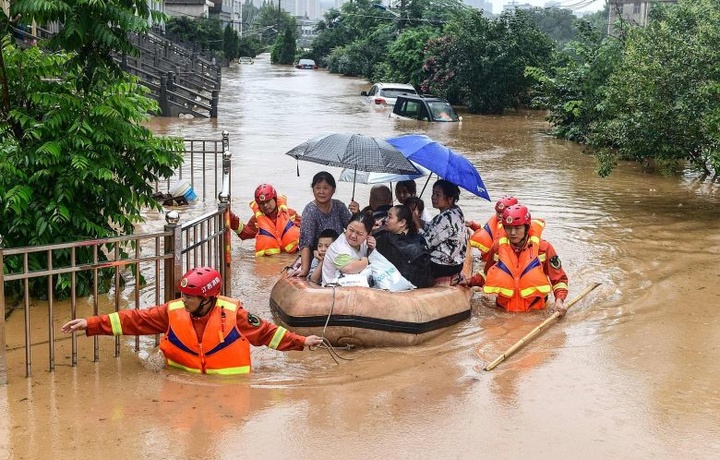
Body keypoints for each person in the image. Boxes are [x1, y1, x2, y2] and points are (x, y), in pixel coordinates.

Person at [61, 267, 323, 374]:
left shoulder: (235, 314)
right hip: (180, 380)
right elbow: (135, 320)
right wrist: (92, 324)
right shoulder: (173, 311)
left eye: (190, 297)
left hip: (228, 390)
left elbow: (267, 334)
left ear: (208, 298)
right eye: (183, 295)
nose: (184, 301)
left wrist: (302, 341)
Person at [463, 204, 569, 316]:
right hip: (503, 313)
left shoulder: (544, 248)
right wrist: (469, 281)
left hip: (535, 313)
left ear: (527, 227)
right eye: (508, 228)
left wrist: (559, 300)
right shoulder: (497, 248)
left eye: (517, 228)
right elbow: (486, 275)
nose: (512, 233)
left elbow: (559, 280)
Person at [289, 171, 356, 278]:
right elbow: (306, 243)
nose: (321, 192)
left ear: (333, 190)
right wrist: (305, 270)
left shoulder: (339, 206)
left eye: (325, 188)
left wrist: (356, 213)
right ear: (313, 190)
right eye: (318, 188)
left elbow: (353, 230)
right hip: (318, 255)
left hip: (339, 253)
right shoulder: (310, 211)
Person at [229, 183, 301, 256]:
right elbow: (243, 233)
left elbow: (308, 229)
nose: (265, 205)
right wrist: (230, 217)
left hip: (292, 256)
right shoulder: (256, 220)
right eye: (261, 203)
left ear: (275, 199)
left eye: (268, 201)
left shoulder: (290, 214)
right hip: (271, 261)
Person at [466, 195, 545, 262]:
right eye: (498, 212)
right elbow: (486, 232)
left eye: (502, 212)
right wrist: (473, 225)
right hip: (491, 258)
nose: (500, 215)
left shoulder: (524, 229)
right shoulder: (495, 223)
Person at [374, 205, 434, 288]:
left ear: (402, 222)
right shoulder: (419, 240)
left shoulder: (385, 239)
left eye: (390, 217)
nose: (385, 220)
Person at [421, 180, 467, 280]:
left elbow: (425, 243)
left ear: (450, 199)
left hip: (443, 266)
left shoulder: (446, 217)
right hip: (456, 264)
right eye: (433, 193)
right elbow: (433, 227)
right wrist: (417, 220)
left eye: (438, 195)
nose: (433, 197)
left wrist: (416, 226)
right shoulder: (456, 211)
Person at [321, 212, 376, 286]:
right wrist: (366, 261)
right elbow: (348, 268)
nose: (353, 236)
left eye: (359, 234)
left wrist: (372, 247)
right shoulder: (339, 246)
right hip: (332, 291)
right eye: (351, 230)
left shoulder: (365, 242)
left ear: (368, 234)